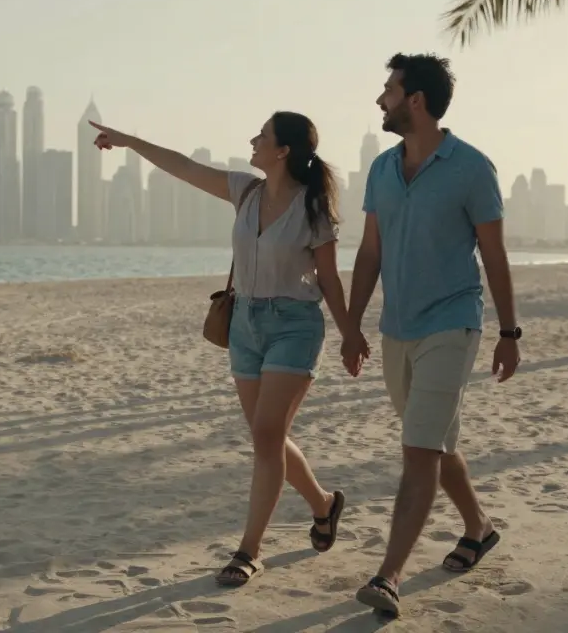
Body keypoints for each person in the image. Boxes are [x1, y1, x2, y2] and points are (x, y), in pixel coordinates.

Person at [91, 112, 364, 587]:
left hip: (294, 326)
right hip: (244, 324)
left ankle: (248, 550)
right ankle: (323, 504)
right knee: (267, 437)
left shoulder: (314, 207)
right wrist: (128, 141)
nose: (252, 141)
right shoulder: (246, 190)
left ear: (282, 151)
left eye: (262, 136)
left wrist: (349, 334)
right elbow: (182, 166)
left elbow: (329, 281)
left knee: (265, 435)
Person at [343, 53, 521, 616]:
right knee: (438, 446)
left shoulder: (471, 168)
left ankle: (388, 576)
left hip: (452, 322)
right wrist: (350, 325)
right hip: (397, 328)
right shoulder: (381, 169)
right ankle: (479, 527)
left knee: (418, 450)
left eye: (389, 90)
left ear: (414, 100)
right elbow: (370, 251)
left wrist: (509, 331)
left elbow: (493, 254)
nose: (381, 100)